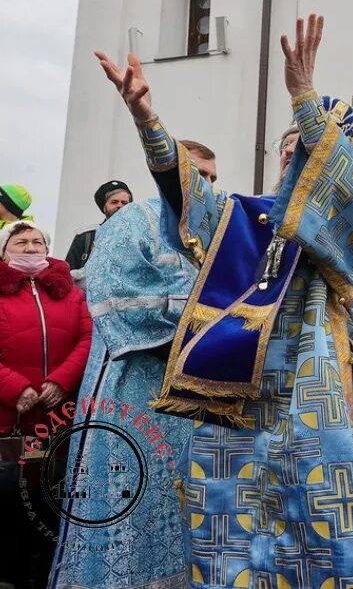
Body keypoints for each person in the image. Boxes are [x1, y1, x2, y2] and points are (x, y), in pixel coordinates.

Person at [95, 13, 353, 589]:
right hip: (236, 401)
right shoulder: (246, 219)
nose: (294, 156)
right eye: (290, 148)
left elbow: (340, 208)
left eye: (314, 150)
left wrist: (304, 97)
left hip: (317, 392)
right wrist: (148, 121)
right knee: (235, 536)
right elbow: (192, 203)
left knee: (334, 531)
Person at [48, 142, 216, 589]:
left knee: (183, 500)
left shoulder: (213, 233)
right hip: (134, 382)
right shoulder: (129, 222)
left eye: (213, 178)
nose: (207, 186)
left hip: (192, 393)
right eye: (198, 173)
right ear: (168, 174)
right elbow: (112, 296)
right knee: (131, 495)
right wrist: (195, 333)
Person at [0, 221, 92, 589]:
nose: (30, 247)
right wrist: (14, 389)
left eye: (37, 241)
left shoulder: (68, 290)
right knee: (7, 501)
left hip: (56, 418)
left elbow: (88, 336)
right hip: (8, 418)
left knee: (51, 499)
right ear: (5, 250)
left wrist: (61, 380)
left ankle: (45, 573)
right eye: (20, 241)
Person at [64, 179, 134, 271]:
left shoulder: (138, 236)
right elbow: (67, 275)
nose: (120, 206)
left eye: (124, 203)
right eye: (114, 202)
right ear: (104, 207)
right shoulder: (86, 236)